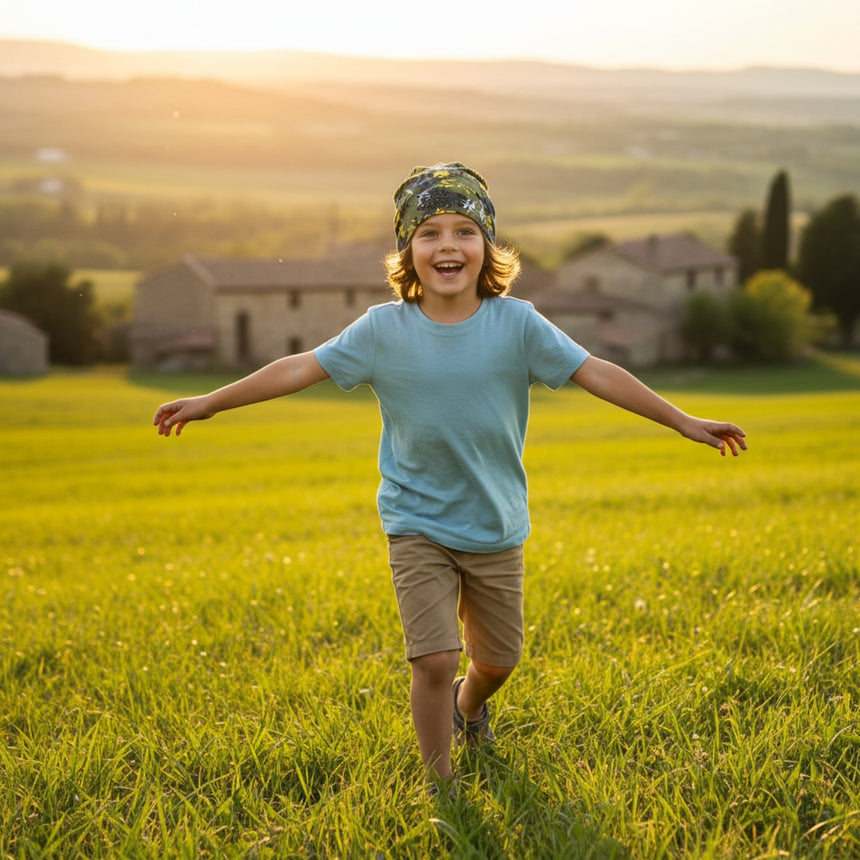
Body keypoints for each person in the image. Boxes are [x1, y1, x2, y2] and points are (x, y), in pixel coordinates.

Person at [153, 162, 747, 794]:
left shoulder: (518, 324)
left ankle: (471, 704)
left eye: (465, 231)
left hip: (495, 523)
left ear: (487, 245)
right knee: (434, 658)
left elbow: (595, 371)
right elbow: (300, 367)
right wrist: (209, 402)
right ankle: (442, 786)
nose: (447, 245)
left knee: (498, 660)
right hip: (417, 523)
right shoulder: (383, 330)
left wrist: (682, 420)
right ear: (408, 249)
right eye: (429, 232)